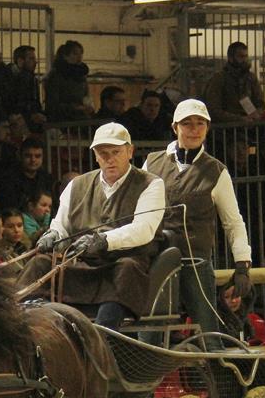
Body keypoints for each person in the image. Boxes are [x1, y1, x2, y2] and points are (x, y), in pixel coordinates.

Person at [22, 122, 165, 330]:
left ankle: (103, 338)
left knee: (128, 269)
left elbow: (143, 229)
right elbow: (62, 224)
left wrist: (104, 240)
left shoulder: (151, 184)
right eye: (102, 153)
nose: (109, 159)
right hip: (82, 262)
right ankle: (31, 328)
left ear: (130, 151)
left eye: (116, 152)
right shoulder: (77, 185)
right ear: (95, 156)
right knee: (39, 263)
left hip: (121, 261)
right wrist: (53, 234)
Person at [143, 99, 252, 345]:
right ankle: (144, 383)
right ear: (175, 127)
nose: (194, 129)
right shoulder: (152, 163)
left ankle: (221, 380)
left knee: (210, 334)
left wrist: (243, 264)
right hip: (158, 260)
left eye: (200, 123)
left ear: (207, 128)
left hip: (196, 262)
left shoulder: (216, 171)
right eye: (187, 124)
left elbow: (233, 222)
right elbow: (140, 213)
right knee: (149, 334)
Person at [202, 41, 265, 124]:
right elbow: (213, 109)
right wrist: (239, 119)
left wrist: (256, 115)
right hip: (226, 130)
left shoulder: (251, 78)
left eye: (246, 56)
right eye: (241, 57)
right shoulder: (219, 79)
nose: (245, 60)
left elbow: (260, 103)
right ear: (231, 58)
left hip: (250, 126)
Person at [44, 40, 92, 122]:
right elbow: (52, 103)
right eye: (75, 54)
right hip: (62, 119)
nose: (79, 57)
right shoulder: (56, 76)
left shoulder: (81, 75)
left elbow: (85, 95)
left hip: (80, 118)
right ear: (65, 56)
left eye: (81, 53)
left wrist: (87, 105)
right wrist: (75, 107)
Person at [7, 139, 54, 213]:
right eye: (28, 156)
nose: (33, 160)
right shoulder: (9, 179)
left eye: (37, 156)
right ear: (20, 156)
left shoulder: (47, 178)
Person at [7, 45, 46, 130]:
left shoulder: (32, 78)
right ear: (20, 61)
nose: (35, 62)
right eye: (31, 59)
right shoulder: (9, 78)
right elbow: (13, 103)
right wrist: (31, 115)